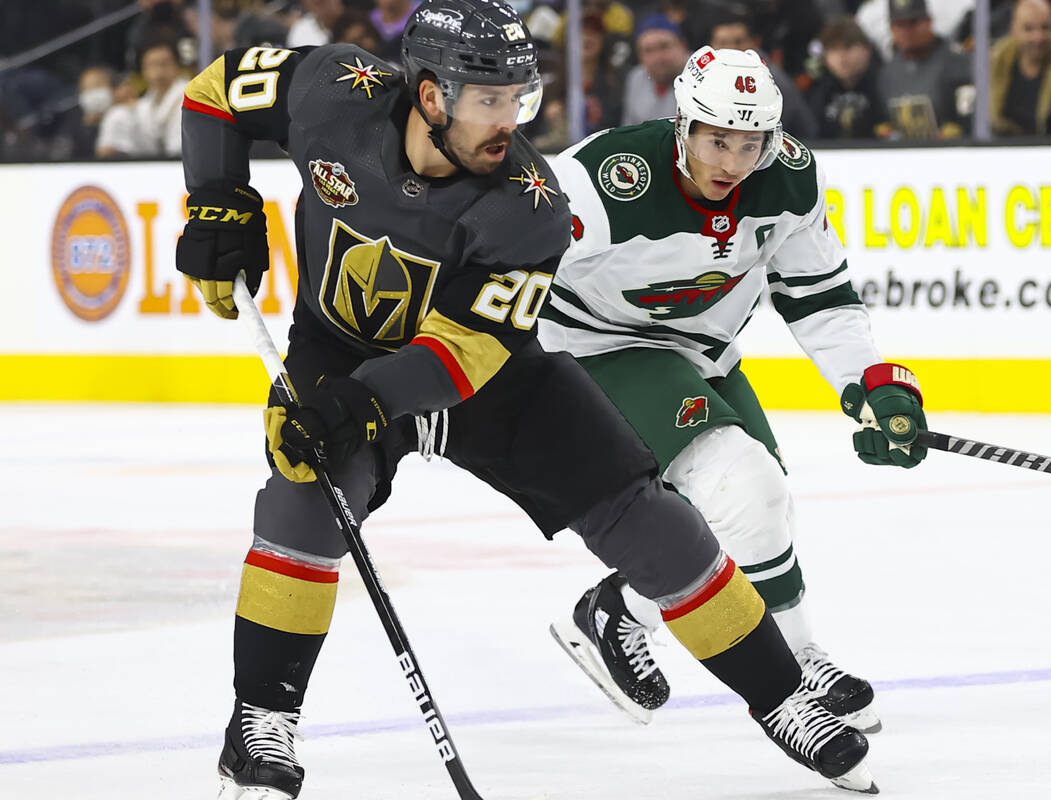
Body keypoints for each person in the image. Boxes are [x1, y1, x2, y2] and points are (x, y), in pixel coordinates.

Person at [174, 1, 876, 797]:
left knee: (651, 518)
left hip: (487, 373)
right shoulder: (334, 88)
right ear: (431, 95)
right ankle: (261, 724)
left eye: (520, 97)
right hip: (338, 352)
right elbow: (215, 89)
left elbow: (465, 353)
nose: (510, 120)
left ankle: (786, 701)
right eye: (489, 100)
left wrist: (364, 403)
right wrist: (215, 198)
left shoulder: (530, 202)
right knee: (301, 500)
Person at [539, 46, 927, 744]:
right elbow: (498, 254)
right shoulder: (605, 179)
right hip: (594, 347)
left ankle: (638, 612)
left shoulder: (787, 180)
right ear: (682, 124)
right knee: (741, 486)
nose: (732, 162)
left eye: (751, 144)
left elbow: (821, 296)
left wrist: (867, 382)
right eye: (717, 139)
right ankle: (762, 659)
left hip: (701, 351)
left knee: (761, 499)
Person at [708, 10, 819, 142]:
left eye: (738, 42)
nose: (731, 49)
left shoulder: (772, 80)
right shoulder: (704, 76)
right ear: (711, 45)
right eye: (723, 43)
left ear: (754, 43)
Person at [877, 0, 974, 139]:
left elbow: (971, 118)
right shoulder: (887, 72)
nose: (907, 31)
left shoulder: (959, 64)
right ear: (891, 28)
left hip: (951, 153)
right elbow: (882, 120)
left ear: (929, 22)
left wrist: (958, 130)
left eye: (913, 23)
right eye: (899, 25)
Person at [990, 0, 1051, 136]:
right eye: (1028, 29)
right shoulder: (996, 62)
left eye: (1045, 28)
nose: (1038, 37)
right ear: (1013, 30)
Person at [805, 16, 889, 139]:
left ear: (866, 50)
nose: (841, 57)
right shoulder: (819, 91)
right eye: (833, 49)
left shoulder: (885, 83)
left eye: (847, 47)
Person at [620, 13, 690, 125]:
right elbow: (629, 132)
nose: (657, 58)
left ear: (683, 46)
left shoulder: (704, 73)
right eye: (648, 50)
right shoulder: (636, 78)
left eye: (664, 46)